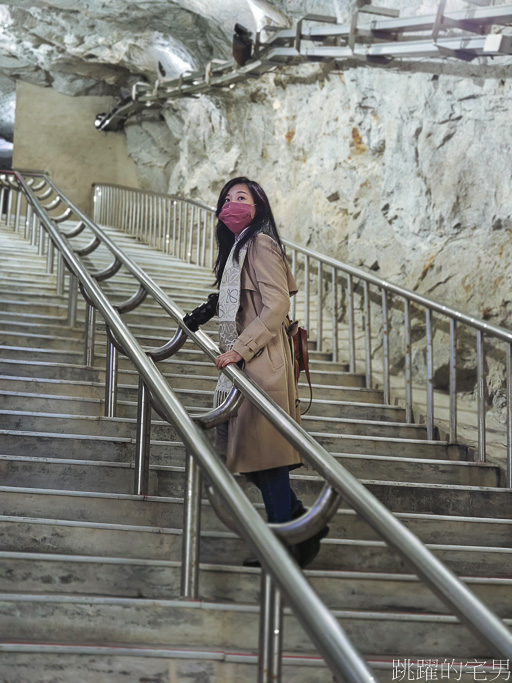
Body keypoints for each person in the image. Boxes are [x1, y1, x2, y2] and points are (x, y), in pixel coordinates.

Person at [212, 176, 327, 567]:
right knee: (246, 456)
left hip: (262, 364)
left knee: (267, 460)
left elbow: (275, 307)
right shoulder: (237, 251)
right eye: (227, 198)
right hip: (245, 363)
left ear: (258, 206)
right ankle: (299, 524)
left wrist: (240, 349)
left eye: (241, 197)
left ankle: (284, 544)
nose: (232, 203)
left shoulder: (260, 243)